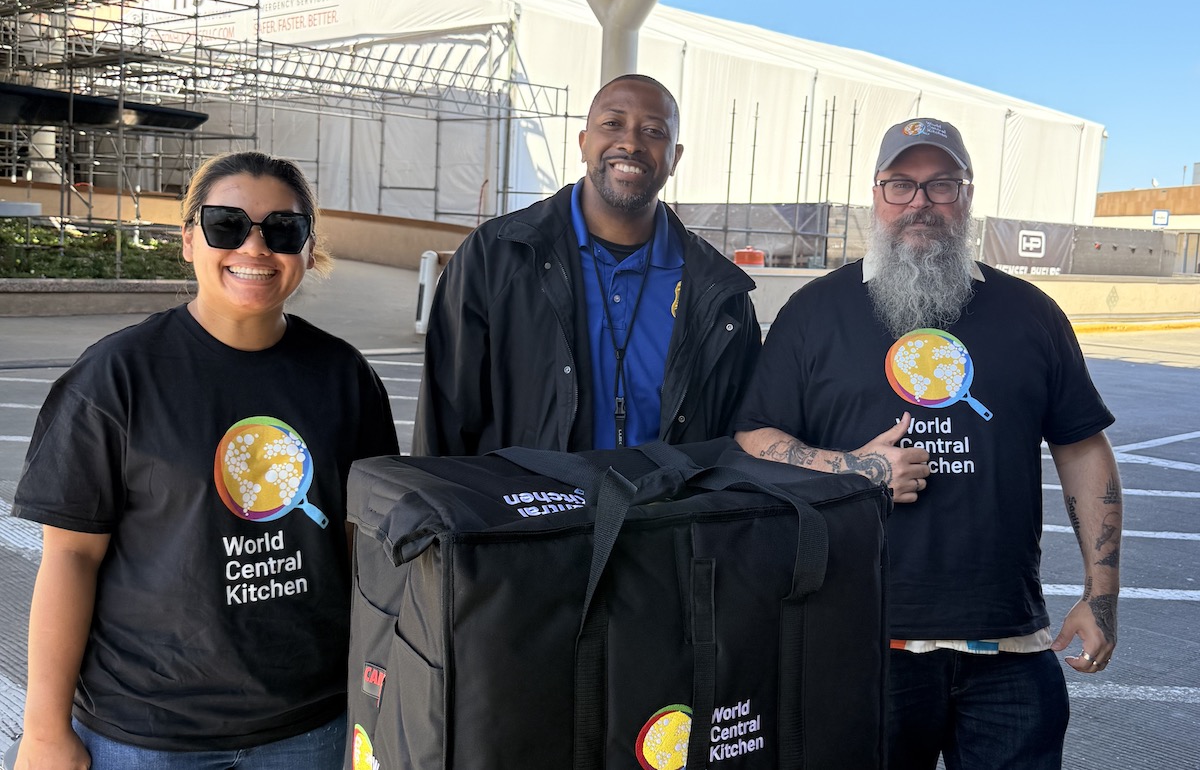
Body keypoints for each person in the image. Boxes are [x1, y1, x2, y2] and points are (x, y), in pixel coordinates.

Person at [734, 118, 1122, 769]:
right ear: (876, 195)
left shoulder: (1030, 314)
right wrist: (853, 468)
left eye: (941, 184)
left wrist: (1101, 594)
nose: (920, 202)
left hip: (1008, 649)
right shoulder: (816, 312)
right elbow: (753, 435)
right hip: (860, 646)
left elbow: (1083, 449)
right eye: (901, 184)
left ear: (967, 195)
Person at [12, 151, 399, 769]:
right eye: (226, 225)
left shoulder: (345, 377)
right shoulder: (115, 377)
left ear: (305, 247)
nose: (254, 247)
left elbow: (365, 552)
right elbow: (69, 558)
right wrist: (43, 731)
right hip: (144, 733)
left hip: (311, 725)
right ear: (189, 240)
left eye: (282, 229)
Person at [413, 74, 760, 456]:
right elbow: (445, 417)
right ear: (583, 143)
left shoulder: (719, 292)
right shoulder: (496, 257)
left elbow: (736, 440)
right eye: (612, 124)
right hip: (529, 512)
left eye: (653, 131)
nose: (630, 143)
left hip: (665, 513)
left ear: (674, 158)